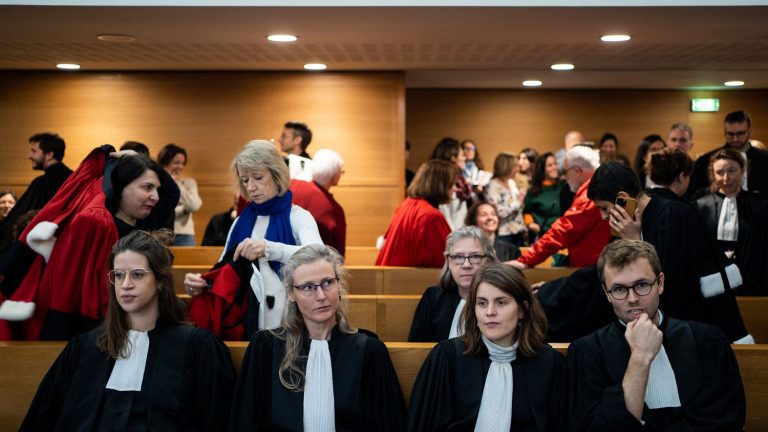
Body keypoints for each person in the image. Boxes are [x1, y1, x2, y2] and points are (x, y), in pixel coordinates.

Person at [20, 230, 236, 431]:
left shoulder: (198, 348)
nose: (126, 285)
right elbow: (43, 419)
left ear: (160, 281)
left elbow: (217, 420)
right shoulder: (84, 348)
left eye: (138, 275)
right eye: (119, 275)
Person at [0, 147, 179, 341]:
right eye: (147, 187)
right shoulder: (98, 223)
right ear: (120, 186)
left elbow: (172, 194)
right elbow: (84, 293)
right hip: (105, 330)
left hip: (140, 324)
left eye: (156, 188)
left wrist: (140, 159)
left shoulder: (146, 218)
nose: (156, 196)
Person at [566, 239, 745, 431]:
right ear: (607, 293)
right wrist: (640, 358)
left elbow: (725, 419)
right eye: (619, 289)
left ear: (660, 283)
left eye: (642, 285)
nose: (633, 299)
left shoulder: (707, 341)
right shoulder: (587, 353)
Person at [230, 244, 407, 430]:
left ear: (339, 284)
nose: (321, 295)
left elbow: (388, 424)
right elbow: (245, 422)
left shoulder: (368, 351)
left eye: (328, 282)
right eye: (308, 287)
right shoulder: (266, 348)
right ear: (291, 293)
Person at [587, 162, 751, 343]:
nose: (603, 216)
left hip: (698, 332)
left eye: (603, 208)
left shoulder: (673, 215)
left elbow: (667, 286)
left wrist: (633, 241)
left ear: (622, 198)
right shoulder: (640, 218)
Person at [185, 140, 323, 335]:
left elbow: (319, 256)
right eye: (245, 180)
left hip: (291, 321)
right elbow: (225, 271)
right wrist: (200, 284)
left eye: (257, 177)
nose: (250, 187)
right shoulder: (240, 222)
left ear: (276, 175)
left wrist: (269, 248)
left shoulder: (298, 216)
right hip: (246, 321)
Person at [407, 263, 565, 432]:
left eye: (501, 302)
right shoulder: (448, 357)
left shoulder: (550, 363)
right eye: (482, 303)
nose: (490, 312)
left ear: (522, 309)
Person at [509, 146, 610, 269]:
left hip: (591, 268)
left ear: (577, 171)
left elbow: (562, 231)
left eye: (566, 172)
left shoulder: (589, 196)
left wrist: (525, 260)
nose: (565, 177)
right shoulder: (601, 186)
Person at [694, 148, 768, 295]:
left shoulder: (758, 205)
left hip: (749, 277)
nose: (726, 178)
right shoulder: (700, 205)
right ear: (713, 174)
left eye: (732, 171)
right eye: (720, 172)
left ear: (742, 171)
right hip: (713, 277)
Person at [408, 226, 498, 342]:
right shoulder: (433, 298)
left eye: (475, 256)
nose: (466, 265)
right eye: (458, 257)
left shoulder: (502, 299)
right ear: (449, 262)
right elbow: (416, 348)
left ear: (489, 261)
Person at [0, 133, 73, 255]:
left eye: (34, 151)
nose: (29, 156)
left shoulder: (42, 184)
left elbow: (16, 222)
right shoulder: (74, 179)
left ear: (49, 154)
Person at [376, 160, 456, 268]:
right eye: (451, 184)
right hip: (414, 281)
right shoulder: (431, 216)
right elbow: (444, 262)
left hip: (393, 278)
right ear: (440, 185)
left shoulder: (406, 205)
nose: (455, 189)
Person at [690, 109, 768, 198]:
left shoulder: (765, 159)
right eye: (730, 134)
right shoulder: (706, 160)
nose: (735, 139)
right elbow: (693, 194)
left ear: (750, 131)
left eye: (740, 133)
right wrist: (709, 189)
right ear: (724, 132)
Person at [290, 148, 347, 256]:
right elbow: (337, 255)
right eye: (341, 172)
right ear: (334, 177)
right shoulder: (333, 209)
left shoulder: (291, 185)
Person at [158, 143, 202, 246]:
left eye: (183, 163)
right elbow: (161, 211)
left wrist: (176, 184)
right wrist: (183, 210)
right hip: (161, 233)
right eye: (176, 163)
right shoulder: (156, 184)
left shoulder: (189, 183)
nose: (180, 167)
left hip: (184, 235)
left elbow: (194, 206)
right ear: (165, 162)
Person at [485, 152, 527, 249]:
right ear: (506, 167)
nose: (518, 169)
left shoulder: (511, 182)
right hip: (505, 233)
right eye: (515, 166)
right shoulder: (492, 186)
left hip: (518, 231)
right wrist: (519, 201)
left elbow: (518, 207)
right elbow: (499, 213)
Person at [523, 152, 566, 241]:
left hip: (563, 234)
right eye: (549, 165)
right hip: (544, 236)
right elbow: (527, 211)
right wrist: (530, 224)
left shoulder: (564, 186)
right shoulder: (534, 190)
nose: (554, 167)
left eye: (555, 164)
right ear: (542, 169)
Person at [431, 137, 471, 229]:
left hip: (460, 232)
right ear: (453, 158)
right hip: (450, 236)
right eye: (462, 155)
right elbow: (444, 215)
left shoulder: (459, 179)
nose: (465, 158)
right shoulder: (443, 182)